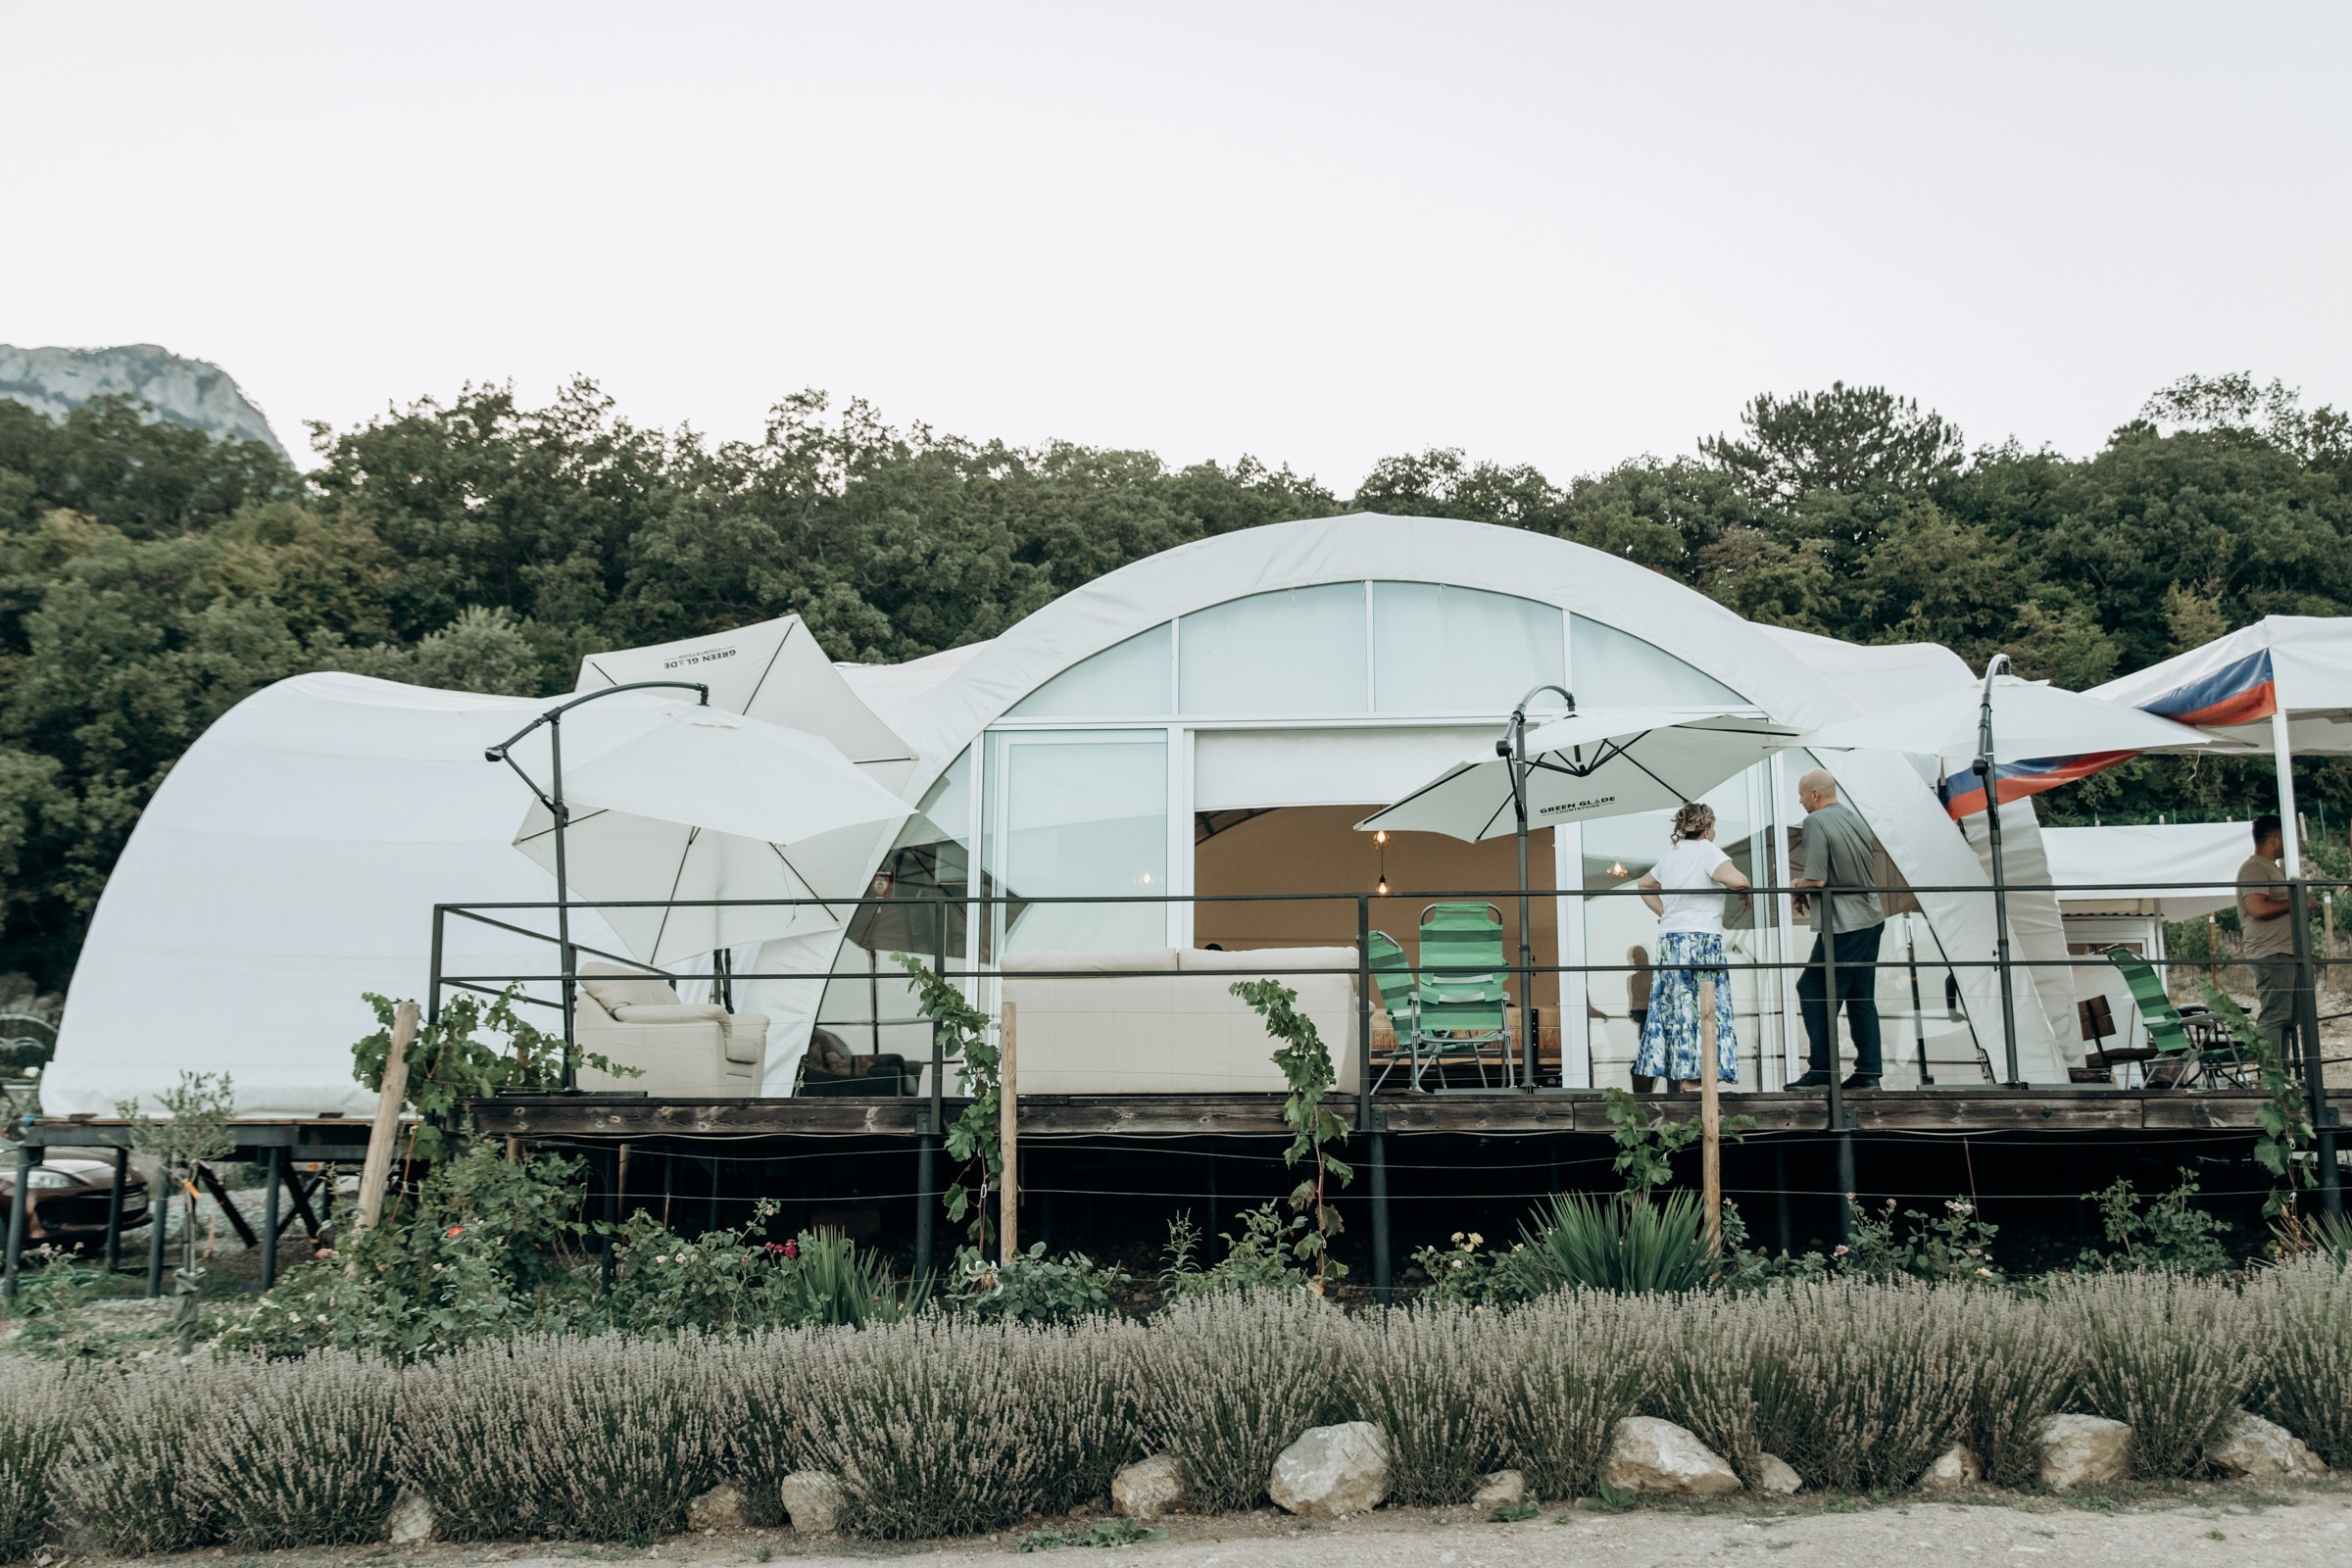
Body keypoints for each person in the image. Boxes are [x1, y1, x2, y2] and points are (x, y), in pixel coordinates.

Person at [1634, 802, 1750, 1091]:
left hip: (1671, 940)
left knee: (1675, 1007)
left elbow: (1644, 886)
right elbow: (1737, 879)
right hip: (1701, 939)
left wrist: (1665, 912)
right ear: (1707, 828)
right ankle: (1695, 1075)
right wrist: (1744, 889)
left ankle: (1680, 1072)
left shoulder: (1671, 856)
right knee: (1707, 1006)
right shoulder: (1707, 850)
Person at [1789, 768, 1887, 1090]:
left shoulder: (1815, 821)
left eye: (1802, 795)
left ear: (1815, 794)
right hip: (1870, 916)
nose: (1800, 801)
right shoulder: (1853, 817)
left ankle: (1823, 1071)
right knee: (1860, 996)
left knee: (1813, 990)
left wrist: (1796, 884)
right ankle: (1868, 1072)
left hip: (1845, 923)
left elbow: (1817, 878)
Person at [2237, 813, 2298, 1050]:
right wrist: (2297, 902)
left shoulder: (2269, 869)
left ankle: (2280, 1075)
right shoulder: (2254, 869)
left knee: (2288, 1016)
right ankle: (2272, 1078)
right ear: (2274, 838)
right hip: (2272, 952)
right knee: (2275, 1015)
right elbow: (2257, 907)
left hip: (2283, 952)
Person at [1626, 944, 1656, 1092]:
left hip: (1659, 1026)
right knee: (1643, 1067)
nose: (1634, 960)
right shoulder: (1634, 979)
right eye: (1632, 957)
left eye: (1636, 956)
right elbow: (1635, 1007)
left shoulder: (1657, 975)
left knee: (1645, 1066)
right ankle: (1643, 1100)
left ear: (1645, 956)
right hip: (1645, 1026)